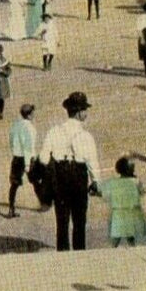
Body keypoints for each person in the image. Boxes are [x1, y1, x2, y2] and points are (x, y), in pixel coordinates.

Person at [39, 91, 101, 251]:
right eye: (85, 110)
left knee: (62, 221)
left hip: (60, 176)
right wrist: (96, 182)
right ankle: (79, 254)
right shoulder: (86, 136)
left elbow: (43, 158)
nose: (86, 113)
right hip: (78, 176)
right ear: (80, 113)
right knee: (79, 221)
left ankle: (63, 254)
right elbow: (92, 162)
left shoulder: (54, 131)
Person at [101, 157, 146, 247]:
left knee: (116, 236)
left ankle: (112, 251)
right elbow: (142, 192)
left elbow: (106, 194)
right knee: (130, 235)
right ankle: (132, 249)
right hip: (131, 212)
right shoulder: (136, 181)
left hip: (118, 213)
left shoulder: (114, 182)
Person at [8, 103, 38, 218]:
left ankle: (11, 208)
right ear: (29, 115)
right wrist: (27, 164)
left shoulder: (16, 125)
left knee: (14, 184)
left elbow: (11, 140)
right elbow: (28, 147)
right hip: (27, 158)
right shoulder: (29, 128)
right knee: (35, 181)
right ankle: (43, 202)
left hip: (16, 157)